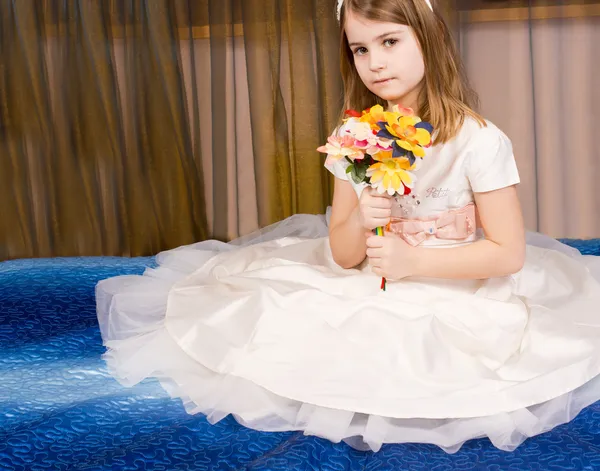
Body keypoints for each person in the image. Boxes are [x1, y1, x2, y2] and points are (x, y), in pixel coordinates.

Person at [96, 0, 600, 453]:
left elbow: (508, 253)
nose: (374, 62)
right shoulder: (353, 137)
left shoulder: (479, 140)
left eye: (389, 42)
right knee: (296, 333)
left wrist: (416, 261)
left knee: (442, 359)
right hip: (369, 280)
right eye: (360, 49)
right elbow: (340, 253)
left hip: (459, 283)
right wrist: (362, 218)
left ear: (429, 39)